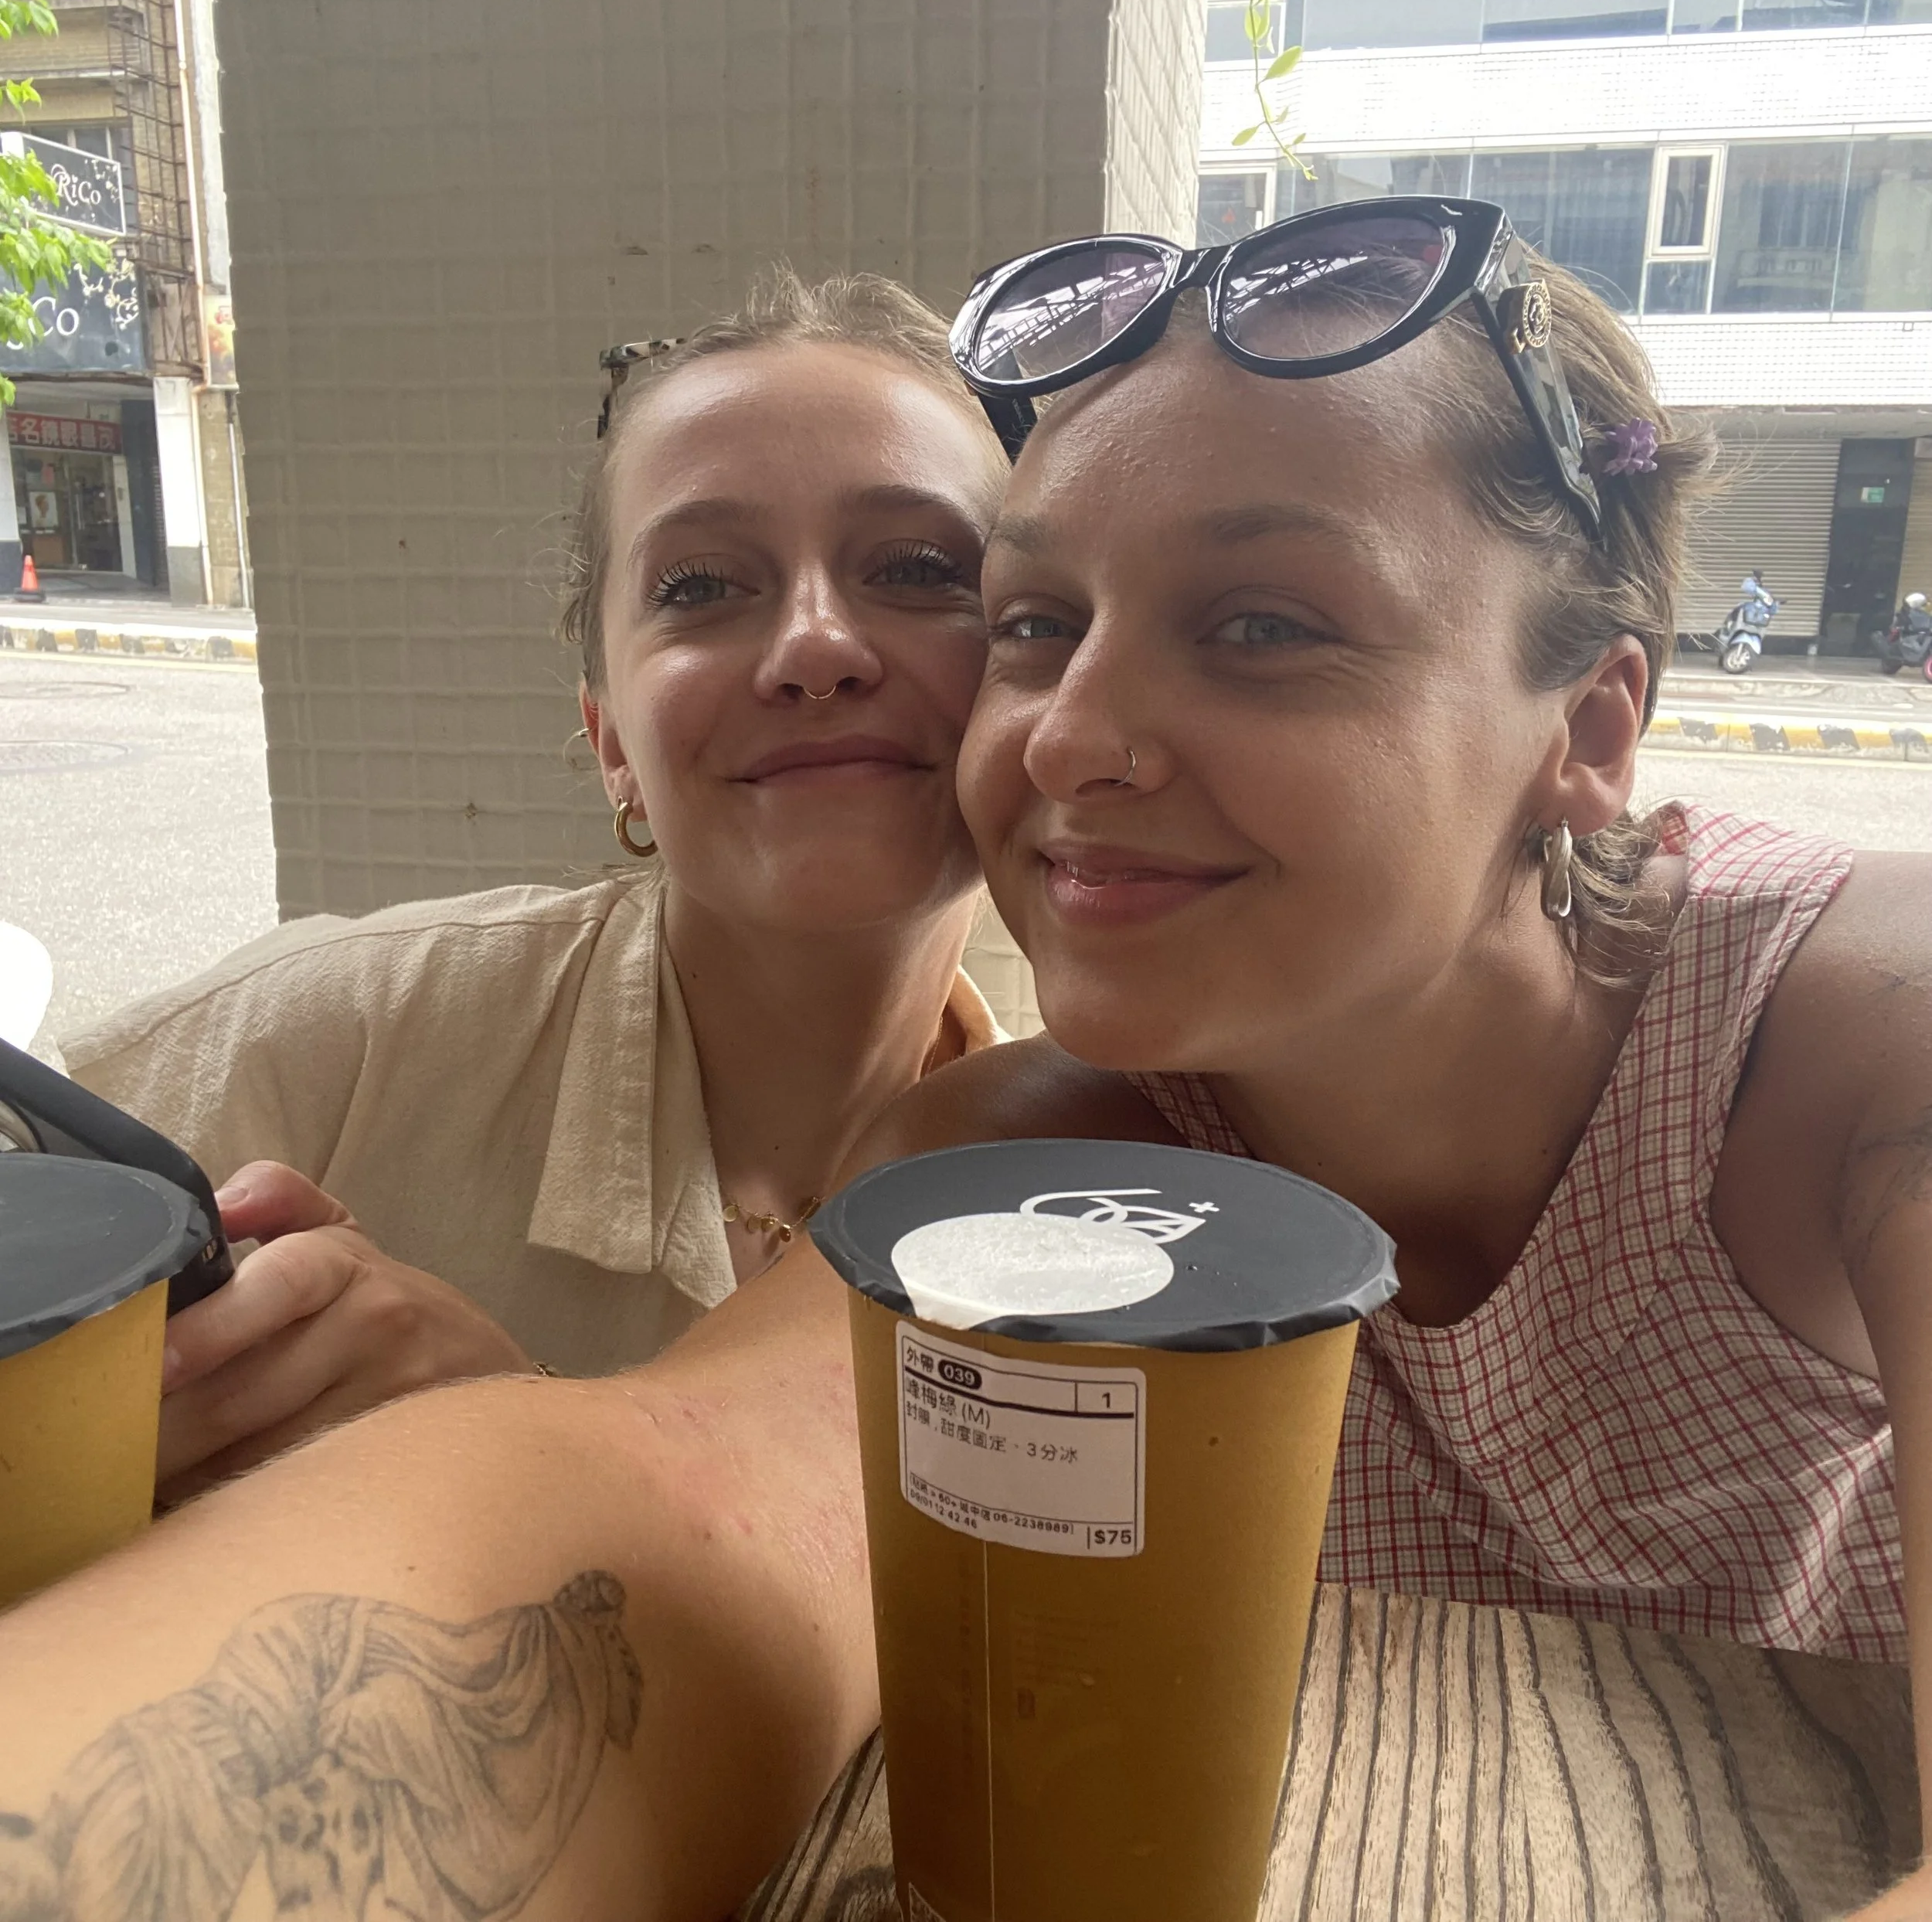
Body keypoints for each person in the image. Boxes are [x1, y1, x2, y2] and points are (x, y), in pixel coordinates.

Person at [5, 215, 1930, 1922]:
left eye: (1260, 625)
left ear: (1587, 724)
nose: (1071, 734)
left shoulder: (1848, 1023)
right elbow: (690, 1515)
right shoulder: (1049, 1131)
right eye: (1035, 623)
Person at [62, 267, 1009, 1502]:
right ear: (612, 741)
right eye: (701, 587)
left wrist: (509, 1453)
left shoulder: (1111, 1172)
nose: (816, 645)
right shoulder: (324, 1051)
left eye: (921, 567)